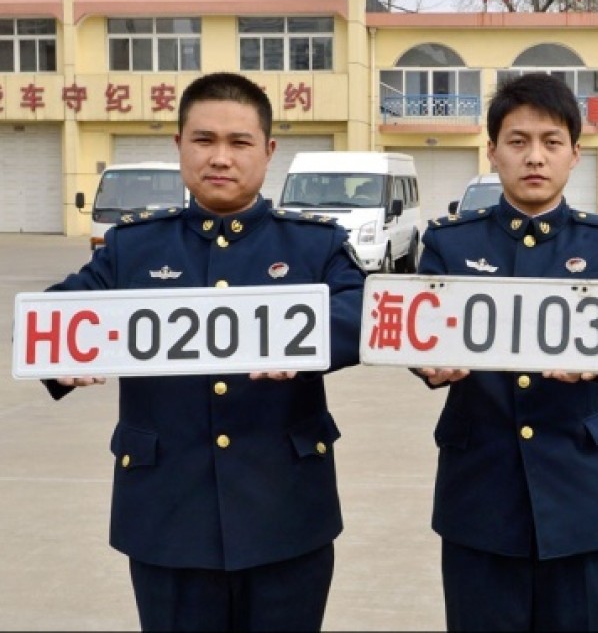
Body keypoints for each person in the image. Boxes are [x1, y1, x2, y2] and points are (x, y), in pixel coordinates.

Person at [40, 72, 366, 631]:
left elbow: (365, 313)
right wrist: (61, 358)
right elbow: (54, 318)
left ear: (268, 151)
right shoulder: (132, 247)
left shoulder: (314, 245)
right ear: (179, 146)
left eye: (239, 143)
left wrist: (300, 340)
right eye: (204, 140)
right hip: (167, 514)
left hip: (285, 509)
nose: (220, 158)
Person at [415, 72, 598, 632]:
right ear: (492, 152)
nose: (534, 157)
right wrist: (424, 364)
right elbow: (417, 332)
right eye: (517, 142)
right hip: (481, 490)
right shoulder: (450, 243)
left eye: (551, 142)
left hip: (582, 490)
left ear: (574, 154)